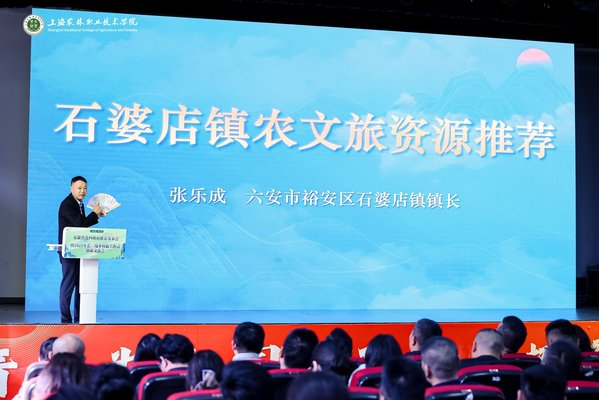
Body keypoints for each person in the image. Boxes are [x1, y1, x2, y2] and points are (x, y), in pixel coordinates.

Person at [57, 176, 104, 324]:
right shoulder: (67, 204)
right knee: (68, 286)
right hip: (69, 251)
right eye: (79, 188)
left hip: (80, 250)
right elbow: (80, 225)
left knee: (81, 287)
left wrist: (96, 215)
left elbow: (81, 225)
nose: (82, 191)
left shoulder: (79, 204)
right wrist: (94, 214)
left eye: (85, 188)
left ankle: (80, 318)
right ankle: (66, 320)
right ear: (71, 188)